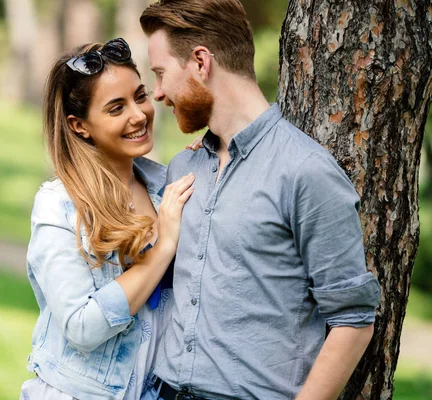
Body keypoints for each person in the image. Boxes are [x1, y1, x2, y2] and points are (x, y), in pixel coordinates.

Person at [139, 1, 381, 399]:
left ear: (201, 62)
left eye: (161, 74)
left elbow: (353, 319)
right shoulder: (185, 166)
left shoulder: (305, 171)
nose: (160, 92)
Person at [20, 38, 196, 400]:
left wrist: (208, 161)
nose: (138, 115)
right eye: (116, 108)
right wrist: (162, 249)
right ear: (79, 125)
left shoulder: (168, 185)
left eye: (140, 96)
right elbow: (81, 326)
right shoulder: (59, 206)